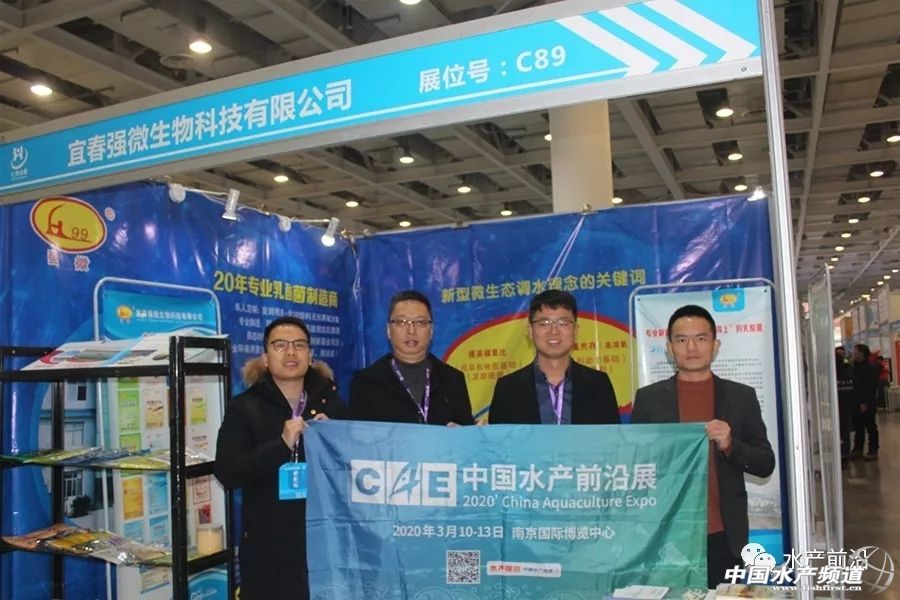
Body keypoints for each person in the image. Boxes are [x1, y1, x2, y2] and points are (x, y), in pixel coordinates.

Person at [631, 304, 775, 590]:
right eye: (681, 340)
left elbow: (764, 463)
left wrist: (731, 445)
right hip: (667, 535)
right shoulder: (649, 399)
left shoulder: (741, 397)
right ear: (669, 348)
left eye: (700, 338)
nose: (691, 348)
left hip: (723, 534)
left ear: (715, 345)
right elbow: (636, 465)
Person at [214, 316, 344, 600]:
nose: (290, 352)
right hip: (267, 547)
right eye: (280, 345)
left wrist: (335, 438)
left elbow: (352, 470)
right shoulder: (244, 406)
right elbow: (228, 472)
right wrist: (281, 444)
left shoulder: (331, 402)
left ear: (310, 356)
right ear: (265, 357)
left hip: (323, 541)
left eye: (299, 345)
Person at [489, 290, 620, 424]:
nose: (554, 331)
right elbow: (499, 437)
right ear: (530, 331)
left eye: (563, 323)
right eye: (544, 323)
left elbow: (612, 436)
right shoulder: (508, 388)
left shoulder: (599, 384)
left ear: (575, 331)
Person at [349, 290, 474, 425]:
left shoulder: (453, 380)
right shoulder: (365, 383)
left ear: (431, 331)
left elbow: (466, 431)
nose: (411, 331)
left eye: (420, 322)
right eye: (402, 322)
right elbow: (357, 436)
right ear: (388, 330)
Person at [850, 343, 880, 460]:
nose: (854, 354)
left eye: (855, 352)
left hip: (867, 402)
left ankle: (873, 450)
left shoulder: (869, 368)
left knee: (870, 427)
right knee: (858, 427)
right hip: (856, 402)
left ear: (861, 354)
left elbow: (870, 387)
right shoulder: (855, 368)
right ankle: (858, 449)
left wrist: (865, 402)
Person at [835, 347, 854, 467]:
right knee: (844, 431)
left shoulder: (846, 370)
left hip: (843, 406)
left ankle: (843, 455)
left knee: (843, 431)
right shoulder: (848, 370)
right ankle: (843, 454)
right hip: (843, 405)